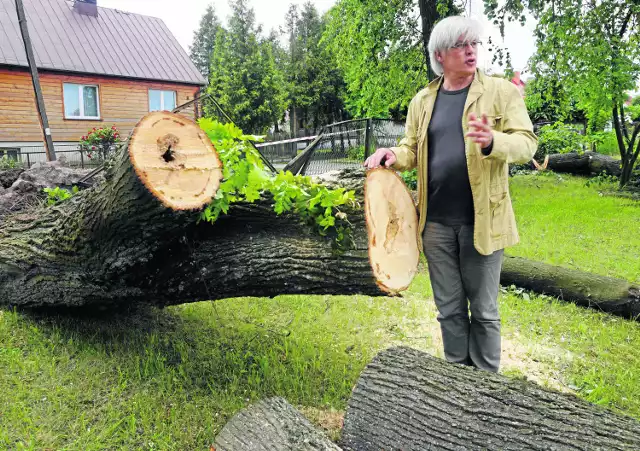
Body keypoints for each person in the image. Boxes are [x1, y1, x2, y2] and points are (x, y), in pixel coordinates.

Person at [364, 16, 537, 372]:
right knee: (449, 310)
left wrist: (493, 141)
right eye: (460, 45)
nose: (470, 50)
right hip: (436, 224)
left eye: (474, 43)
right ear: (440, 54)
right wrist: (393, 155)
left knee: (485, 312)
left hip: (483, 220)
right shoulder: (423, 100)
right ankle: (457, 382)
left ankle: (487, 385)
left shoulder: (500, 92)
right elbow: (412, 149)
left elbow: (527, 144)